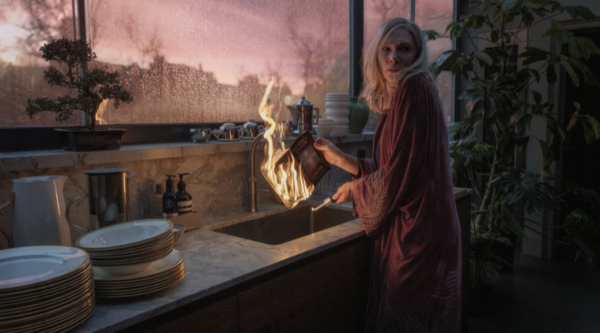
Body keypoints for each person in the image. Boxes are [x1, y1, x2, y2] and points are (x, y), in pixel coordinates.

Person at [313, 17, 461, 332]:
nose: (394, 57)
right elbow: (393, 166)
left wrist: (356, 190)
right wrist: (340, 159)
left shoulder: (414, 87)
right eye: (387, 49)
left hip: (419, 236)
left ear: (417, 53)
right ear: (377, 58)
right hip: (422, 229)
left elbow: (396, 176)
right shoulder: (402, 96)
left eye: (404, 49)